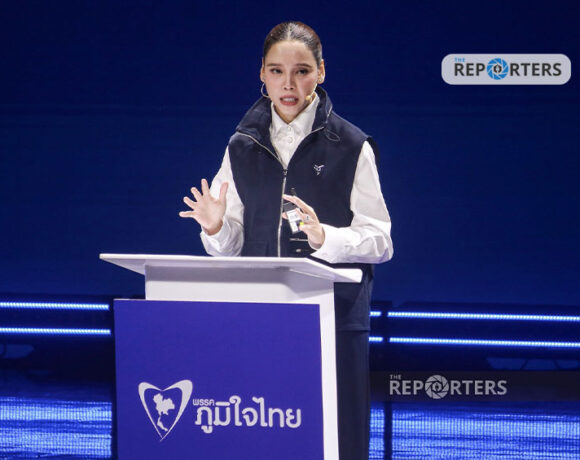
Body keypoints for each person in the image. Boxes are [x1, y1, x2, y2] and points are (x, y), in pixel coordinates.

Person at [180, 21, 393, 460]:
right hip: (260, 315)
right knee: (262, 430)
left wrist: (326, 238)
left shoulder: (352, 146)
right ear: (262, 73)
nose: (289, 84)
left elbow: (380, 240)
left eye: (302, 71)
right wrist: (216, 228)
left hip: (333, 317)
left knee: (335, 436)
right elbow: (230, 246)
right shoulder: (241, 145)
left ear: (321, 72)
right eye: (277, 71)